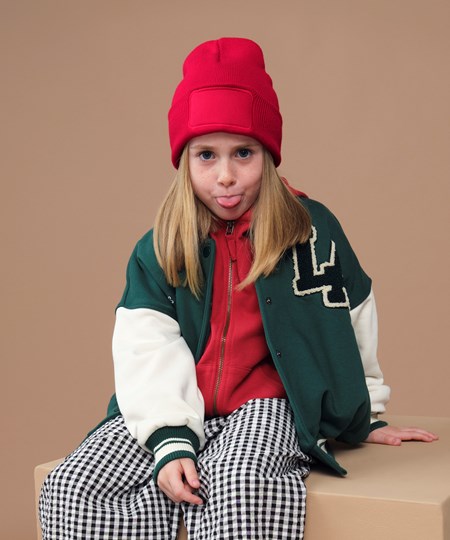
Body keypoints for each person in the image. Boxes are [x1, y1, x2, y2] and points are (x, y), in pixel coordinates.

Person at [39, 37, 438, 540]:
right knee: (73, 488)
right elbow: (146, 344)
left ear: (268, 156)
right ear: (184, 161)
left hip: (266, 403)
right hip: (176, 399)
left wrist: (367, 413)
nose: (225, 176)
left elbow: (352, 316)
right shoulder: (161, 246)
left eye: (243, 153)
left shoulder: (309, 231)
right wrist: (170, 438)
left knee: (240, 483)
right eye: (206, 155)